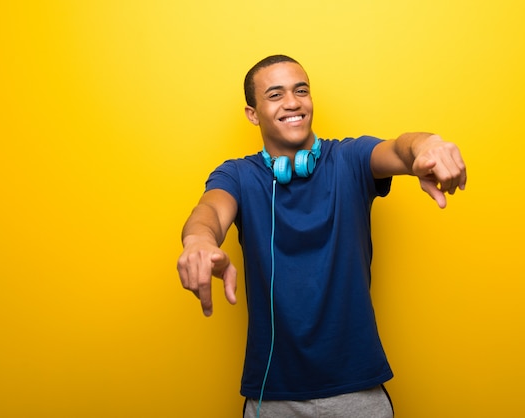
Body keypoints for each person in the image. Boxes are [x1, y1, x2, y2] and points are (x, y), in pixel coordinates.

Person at [177, 55, 467, 418]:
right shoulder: (238, 175)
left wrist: (427, 145)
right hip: (273, 396)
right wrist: (198, 241)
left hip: (358, 392)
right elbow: (209, 212)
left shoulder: (350, 158)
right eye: (276, 94)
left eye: (301, 91)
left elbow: (399, 148)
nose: (293, 102)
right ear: (253, 114)